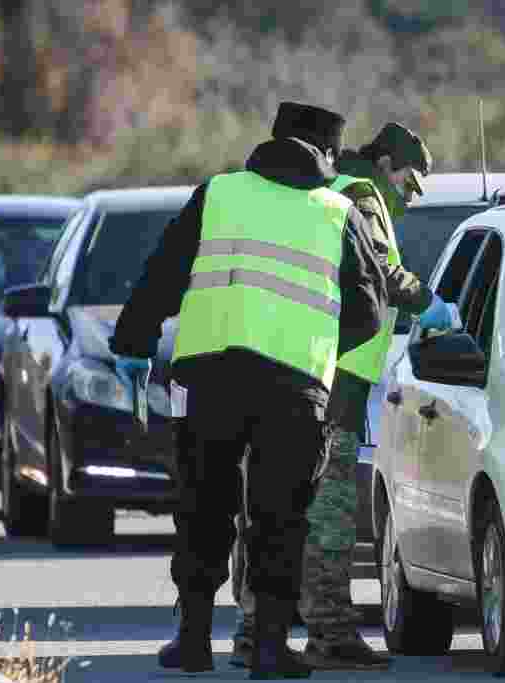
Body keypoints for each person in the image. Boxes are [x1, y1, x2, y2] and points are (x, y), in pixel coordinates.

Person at [108, 102, 389, 679]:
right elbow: (369, 311)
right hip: (295, 388)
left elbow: (162, 273)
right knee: (280, 516)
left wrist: (134, 342)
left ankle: (192, 642)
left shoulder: (219, 194)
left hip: (211, 380)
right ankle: (268, 648)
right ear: (329, 155)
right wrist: (317, 347)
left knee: (204, 508)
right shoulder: (339, 212)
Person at [229, 122, 458, 670]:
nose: (411, 195)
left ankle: (253, 633)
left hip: (285, 372)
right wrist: (427, 303)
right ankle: (329, 635)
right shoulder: (361, 196)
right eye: (409, 181)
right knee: (328, 519)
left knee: (275, 513)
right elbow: (381, 269)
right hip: (336, 388)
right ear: (384, 164)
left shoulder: (314, 191)